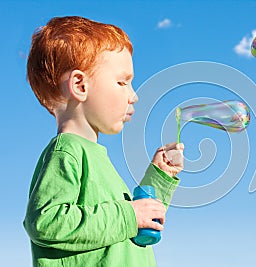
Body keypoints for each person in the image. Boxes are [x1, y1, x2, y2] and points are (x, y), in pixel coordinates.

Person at [23, 16, 184, 267]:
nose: (134, 96)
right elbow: (46, 222)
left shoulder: (93, 156)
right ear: (80, 85)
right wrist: (130, 214)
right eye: (122, 82)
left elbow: (136, 231)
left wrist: (159, 178)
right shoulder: (67, 151)